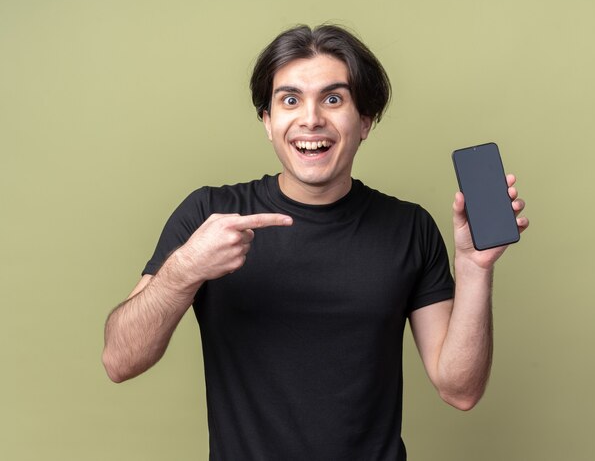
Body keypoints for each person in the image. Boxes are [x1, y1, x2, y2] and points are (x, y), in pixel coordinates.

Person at [102, 24, 528, 460]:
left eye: (333, 98)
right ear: (267, 122)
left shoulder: (410, 227)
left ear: (364, 121)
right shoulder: (208, 216)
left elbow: (460, 389)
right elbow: (120, 360)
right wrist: (184, 270)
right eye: (290, 100)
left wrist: (475, 269)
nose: (310, 119)